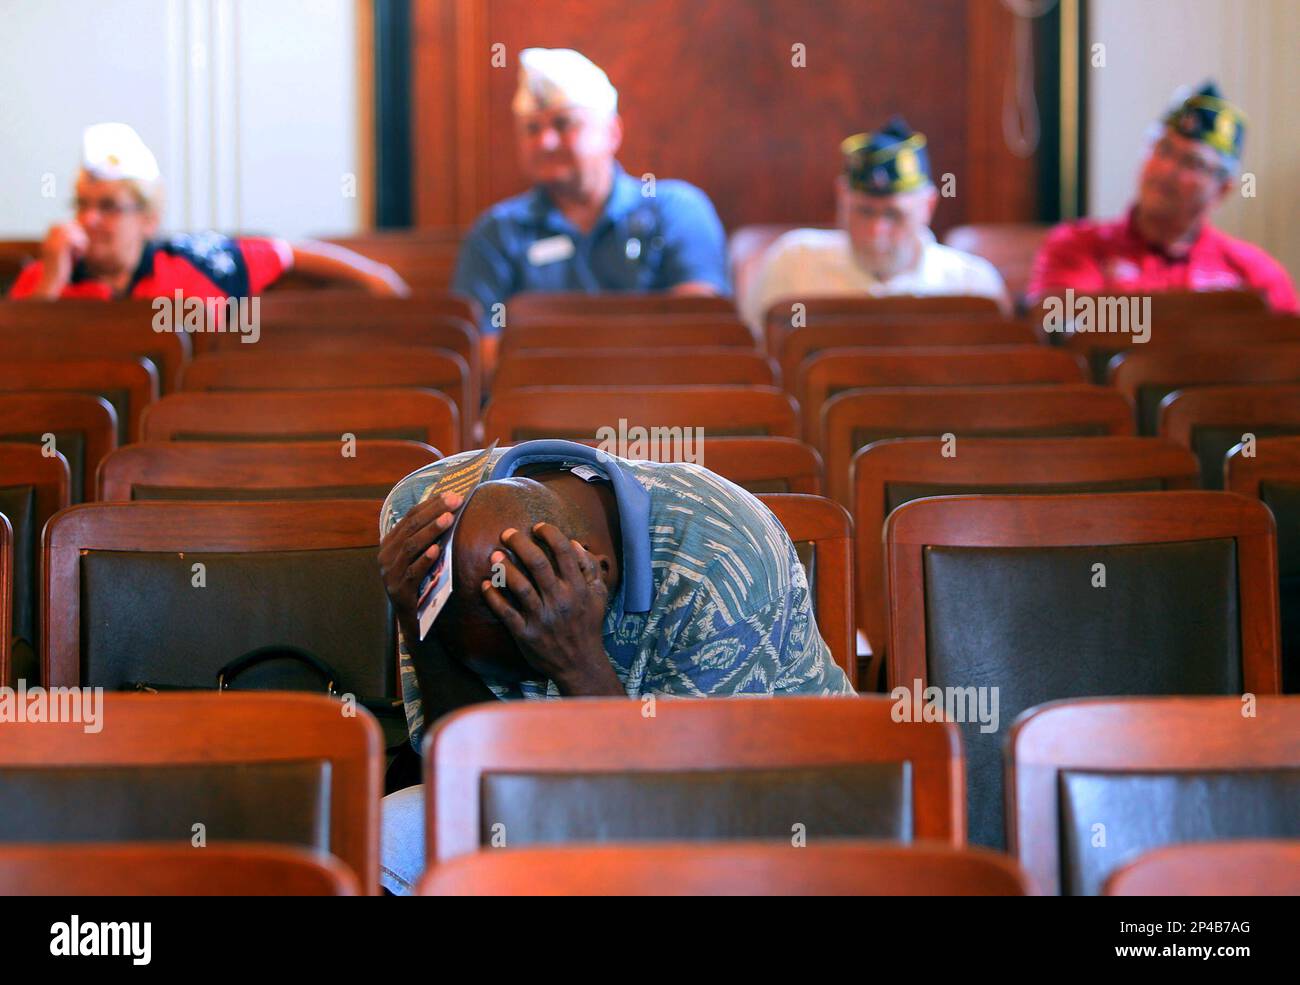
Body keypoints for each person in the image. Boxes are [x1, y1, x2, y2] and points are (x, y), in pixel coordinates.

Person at [376, 439, 855, 893]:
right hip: (538, 790)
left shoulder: (723, 557)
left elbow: (669, 827)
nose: (521, 688)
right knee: (387, 834)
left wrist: (578, 663)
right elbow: (465, 763)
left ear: (596, 572)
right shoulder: (423, 526)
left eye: (529, 660)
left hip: (759, 806)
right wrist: (419, 623)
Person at [452, 48, 730, 359]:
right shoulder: (497, 231)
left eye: (563, 124)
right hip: (535, 405)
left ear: (612, 132)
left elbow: (701, 332)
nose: (545, 141)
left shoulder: (677, 210)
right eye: (532, 128)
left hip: (662, 402)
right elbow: (479, 353)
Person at [9, 122, 409, 301]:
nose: (88, 220)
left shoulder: (196, 262)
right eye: (82, 204)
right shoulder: (45, 273)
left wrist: (376, 278)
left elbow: (286, 253)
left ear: (148, 220)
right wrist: (51, 283)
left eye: (108, 207)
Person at [1028, 81, 1297, 313]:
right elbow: (1059, 331)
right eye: (1163, 149)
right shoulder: (1078, 248)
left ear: (1222, 189)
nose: (1167, 170)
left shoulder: (1253, 273)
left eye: (1192, 163)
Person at [741, 116, 1009, 335]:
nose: (876, 231)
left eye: (894, 215)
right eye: (864, 212)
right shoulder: (794, 264)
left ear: (928, 206)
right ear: (841, 199)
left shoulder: (971, 284)